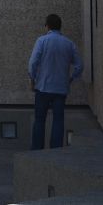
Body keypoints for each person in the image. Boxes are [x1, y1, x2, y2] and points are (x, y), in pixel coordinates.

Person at [28, 13, 82, 150]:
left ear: (47, 26)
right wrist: (71, 78)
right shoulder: (69, 44)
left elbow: (33, 63)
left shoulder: (41, 41)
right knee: (58, 120)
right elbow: (79, 66)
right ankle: (56, 151)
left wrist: (32, 79)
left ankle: (37, 151)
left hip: (43, 87)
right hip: (60, 88)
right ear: (60, 26)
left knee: (40, 120)